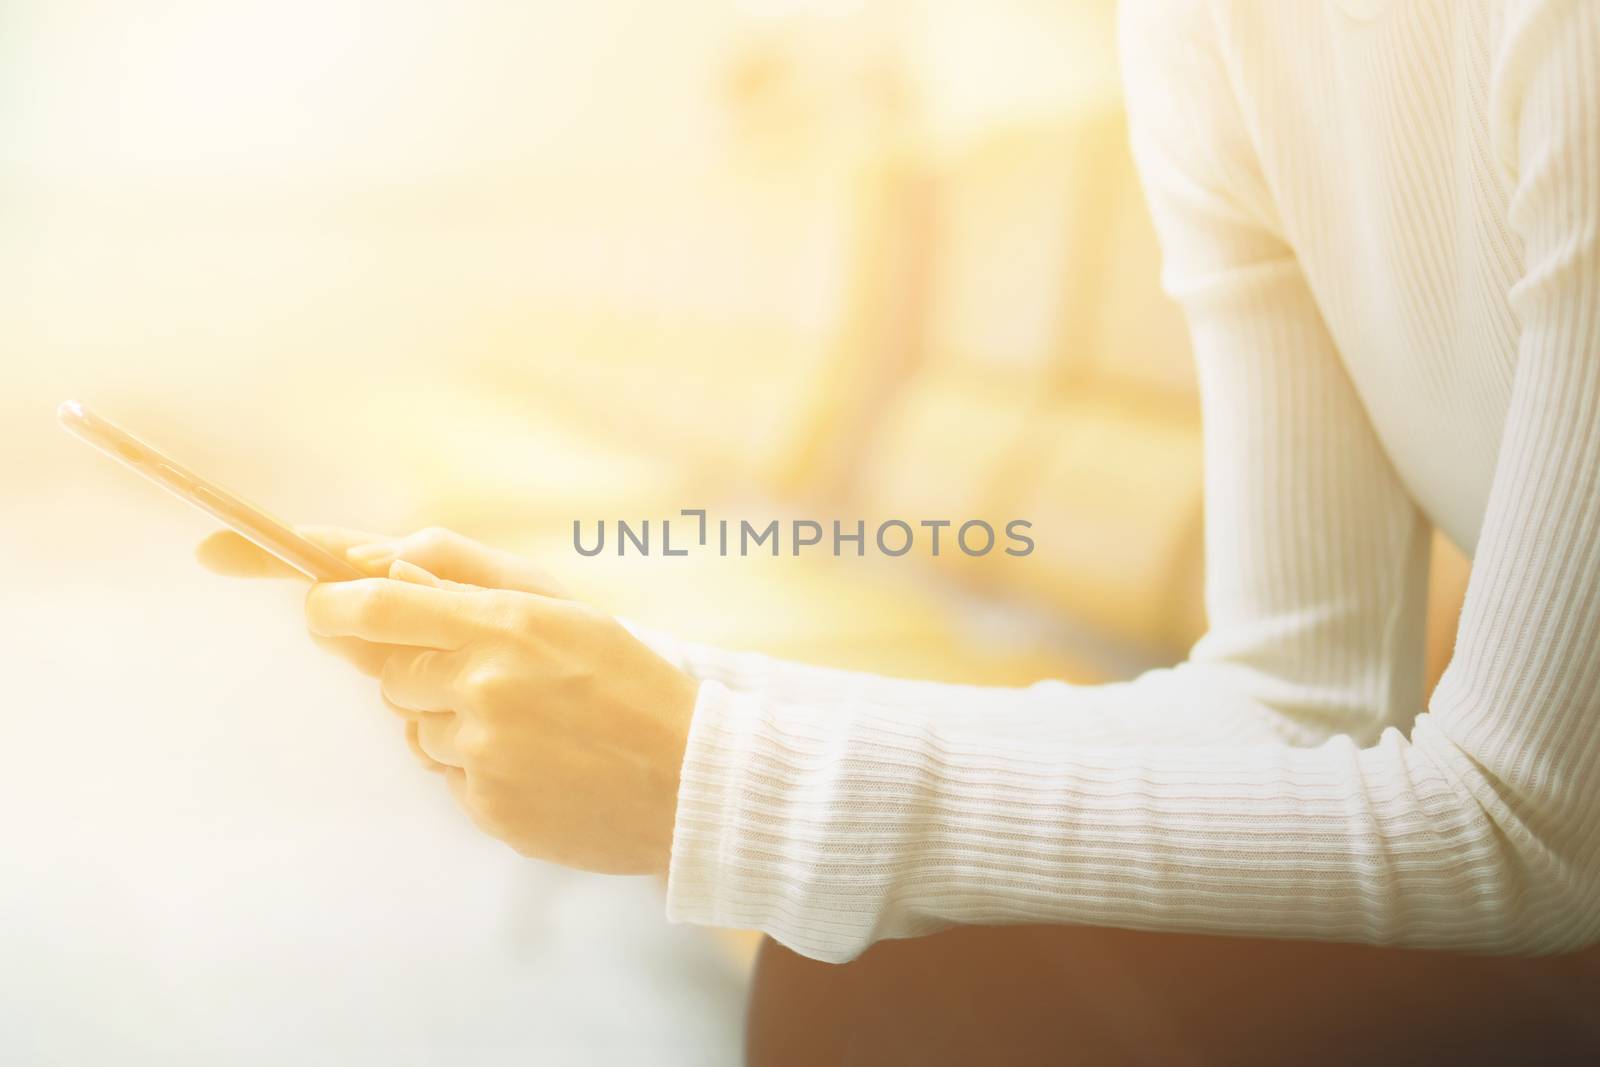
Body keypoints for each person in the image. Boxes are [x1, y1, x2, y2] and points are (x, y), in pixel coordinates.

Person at [202, 0, 1600, 1060]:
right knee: (898, 946)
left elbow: (1542, 839)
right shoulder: (1201, 33)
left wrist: (724, 780)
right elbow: (1300, 711)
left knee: (899, 953)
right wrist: (645, 683)